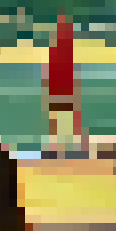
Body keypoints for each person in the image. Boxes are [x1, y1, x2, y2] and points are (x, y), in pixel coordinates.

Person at [46, 12, 87, 160]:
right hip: (64, 91)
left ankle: (59, 149)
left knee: (59, 120)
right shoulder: (64, 47)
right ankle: (65, 149)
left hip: (59, 91)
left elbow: (54, 70)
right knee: (64, 119)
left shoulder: (57, 47)